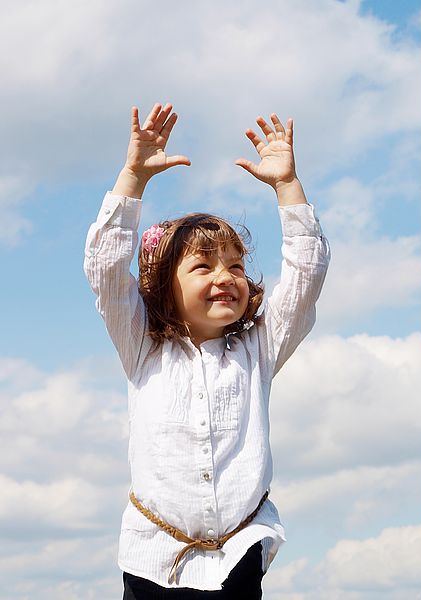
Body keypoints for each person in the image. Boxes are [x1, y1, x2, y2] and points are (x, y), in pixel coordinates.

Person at [84, 101, 330, 599]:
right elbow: (107, 269)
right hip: (155, 560)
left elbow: (305, 278)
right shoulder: (143, 347)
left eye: (236, 267)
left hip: (239, 553)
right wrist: (133, 176)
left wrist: (287, 187)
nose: (225, 277)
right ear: (163, 288)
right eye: (203, 267)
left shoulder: (257, 350)